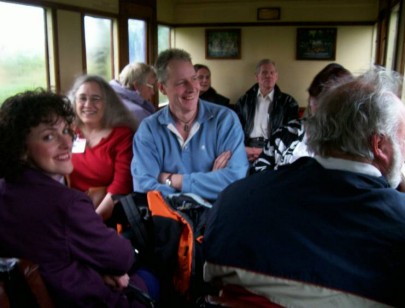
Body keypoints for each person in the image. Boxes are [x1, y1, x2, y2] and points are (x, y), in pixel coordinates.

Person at [203, 67, 405, 307]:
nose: (404, 148)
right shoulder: (403, 225)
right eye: (403, 139)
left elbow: (211, 281)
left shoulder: (233, 200)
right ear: (380, 145)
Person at [0, 89, 159, 307]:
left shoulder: (5, 190)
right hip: (84, 298)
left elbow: (49, 252)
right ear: (21, 149)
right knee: (155, 272)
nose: (66, 143)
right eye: (49, 136)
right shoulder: (67, 204)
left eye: (66, 130)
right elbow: (121, 258)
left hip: (30, 294)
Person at [131, 48, 248, 202]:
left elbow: (234, 180)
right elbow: (144, 186)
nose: (192, 88)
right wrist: (209, 182)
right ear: (162, 88)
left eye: (194, 78)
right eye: (181, 82)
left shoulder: (225, 120)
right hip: (170, 221)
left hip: (220, 217)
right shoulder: (149, 129)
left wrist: (171, 179)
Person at [252, 63, 353, 173]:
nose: (321, 108)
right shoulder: (288, 132)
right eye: (316, 99)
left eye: (331, 103)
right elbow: (258, 171)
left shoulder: (357, 143)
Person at [67, 75, 138, 221]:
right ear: (74, 102)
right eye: (82, 98)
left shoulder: (122, 135)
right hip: (69, 209)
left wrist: (93, 221)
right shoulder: (67, 131)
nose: (88, 105)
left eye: (96, 99)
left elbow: (121, 186)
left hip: (106, 212)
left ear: (108, 103)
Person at [235, 59, 299, 162]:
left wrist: (270, 150)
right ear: (257, 77)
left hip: (274, 148)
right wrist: (244, 149)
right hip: (247, 146)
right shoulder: (244, 101)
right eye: (264, 72)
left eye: (272, 73)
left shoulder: (288, 102)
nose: (269, 76)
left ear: (276, 76)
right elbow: (236, 129)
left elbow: (291, 132)